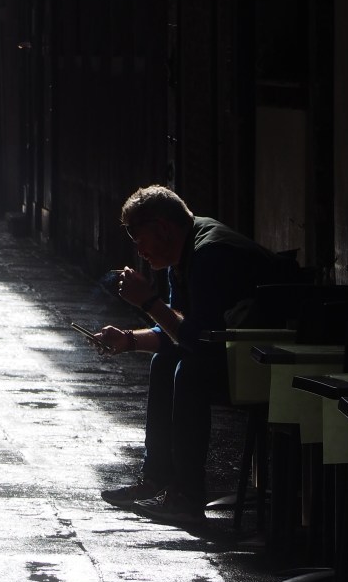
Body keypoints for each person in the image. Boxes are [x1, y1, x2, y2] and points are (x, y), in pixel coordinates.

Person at [91, 184, 286, 527]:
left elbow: (196, 340)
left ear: (164, 228)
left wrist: (149, 303)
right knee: (165, 361)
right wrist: (128, 340)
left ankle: (187, 496)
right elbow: (179, 331)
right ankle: (157, 480)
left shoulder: (210, 254)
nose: (138, 250)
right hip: (236, 351)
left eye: (139, 238)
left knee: (189, 371)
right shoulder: (181, 256)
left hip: (271, 361)